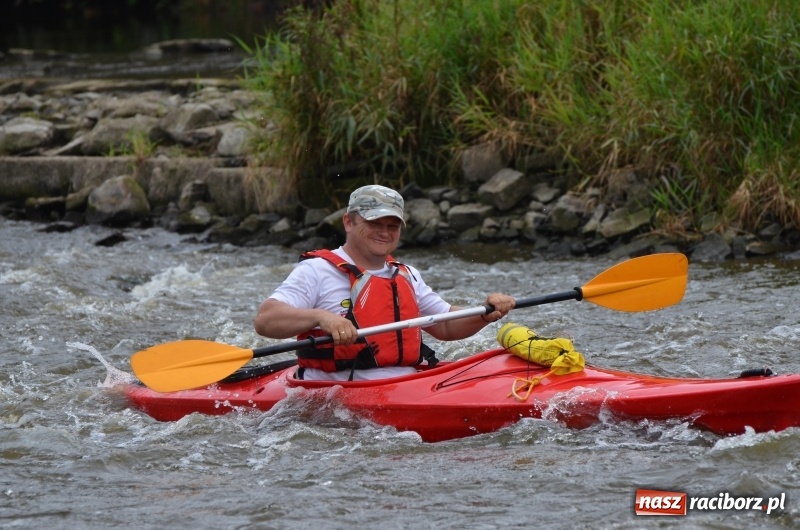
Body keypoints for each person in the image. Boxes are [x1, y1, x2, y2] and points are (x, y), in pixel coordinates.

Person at [254, 184, 516, 381]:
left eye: (393, 225)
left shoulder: (406, 274)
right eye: (374, 222)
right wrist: (321, 318)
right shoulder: (317, 270)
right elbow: (266, 319)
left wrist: (485, 312)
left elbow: (446, 326)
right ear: (348, 221)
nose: (384, 232)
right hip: (337, 394)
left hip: (405, 382)